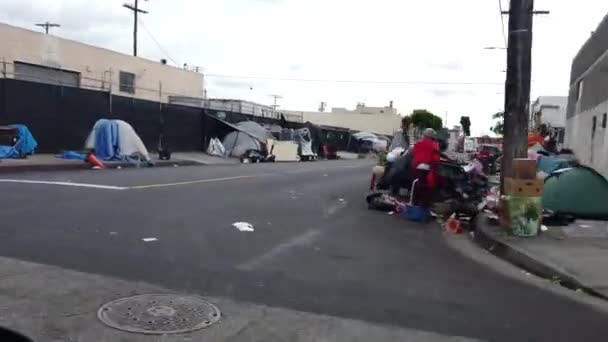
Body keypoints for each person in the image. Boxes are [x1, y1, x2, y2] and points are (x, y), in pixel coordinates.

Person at [411, 128, 445, 206]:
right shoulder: (434, 144)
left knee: (417, 186)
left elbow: (414, 154)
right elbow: (436, 157)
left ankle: (415, 203)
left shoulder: (418, 143)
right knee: (427, 188)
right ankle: (424, 205)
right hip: (427, 168)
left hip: (417, 167)